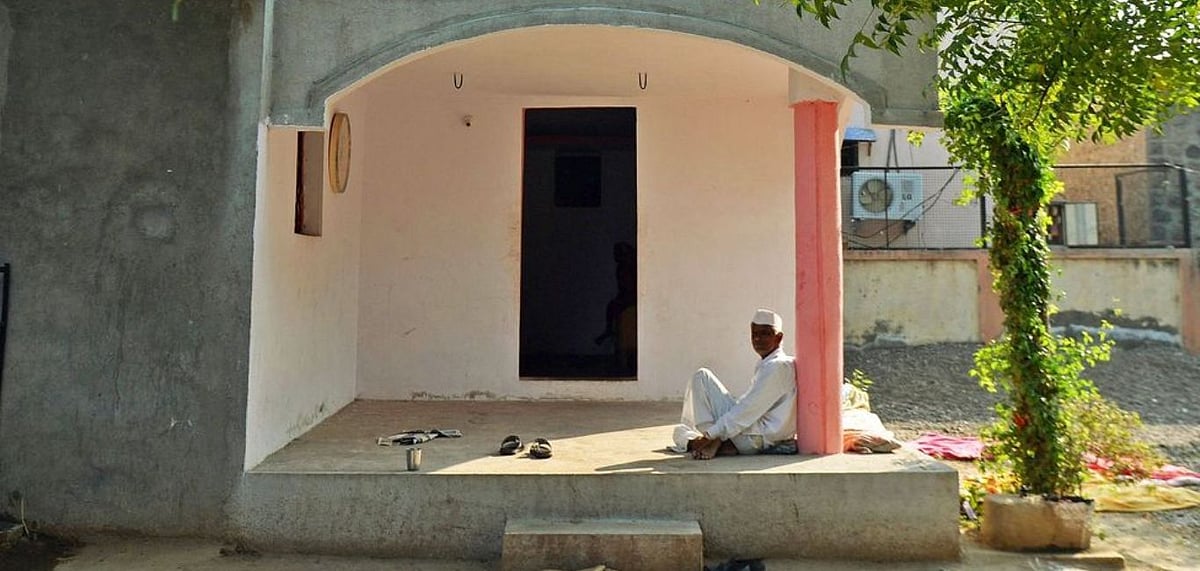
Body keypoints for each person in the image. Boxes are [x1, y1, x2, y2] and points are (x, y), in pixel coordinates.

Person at [671, 309, 797, 460]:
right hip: (753, 434)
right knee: (680, 432)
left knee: (701, 377)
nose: (757, 339)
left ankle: (711, 442)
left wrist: (710, 435)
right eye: (754, 334)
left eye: (765, 333)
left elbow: (747, 410)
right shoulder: (770, 363)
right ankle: (711, 442)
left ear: (778, 337)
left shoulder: (777, 366)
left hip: (756, 439)